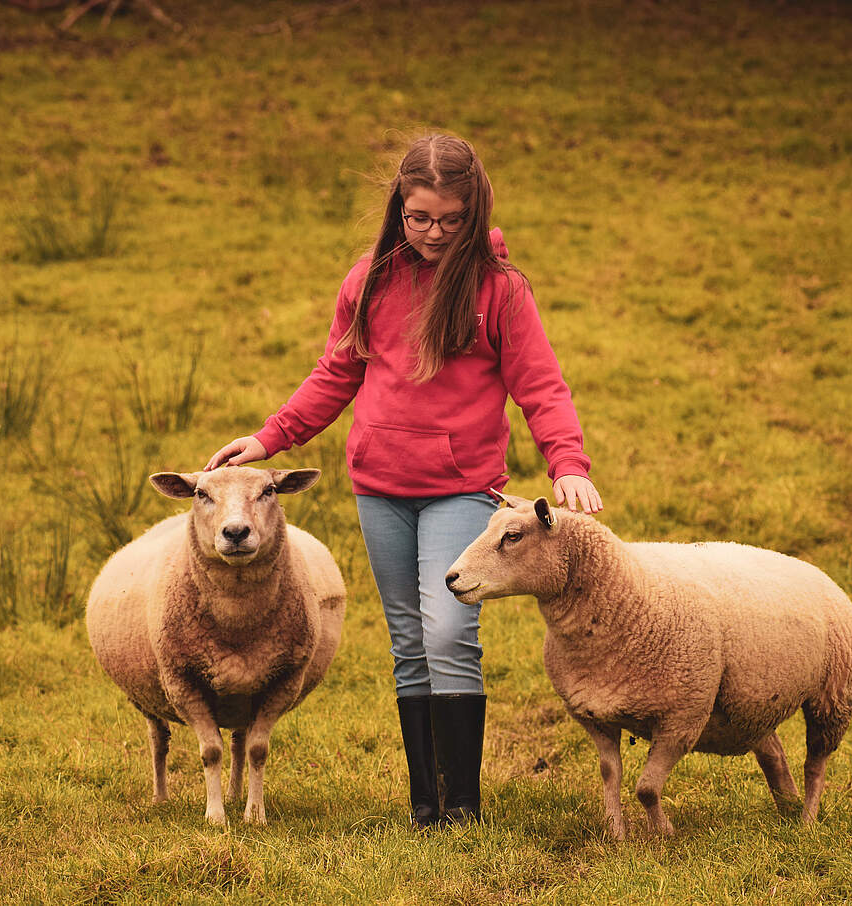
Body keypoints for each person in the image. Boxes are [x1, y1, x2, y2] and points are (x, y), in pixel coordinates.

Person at [205, 133, 602, 829]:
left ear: (474, 213)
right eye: (419, 218)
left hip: (460, 486)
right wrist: (270, 438)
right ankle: (427, 806)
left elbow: (541, 385)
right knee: (410, 641)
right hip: (380, 486)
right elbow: (337, 371)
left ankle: (463, 806)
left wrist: (567, 462)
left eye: (451, 220)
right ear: (399, 207)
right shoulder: (370, 280)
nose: (434, 233)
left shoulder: (501, 290)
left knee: (449, 631)